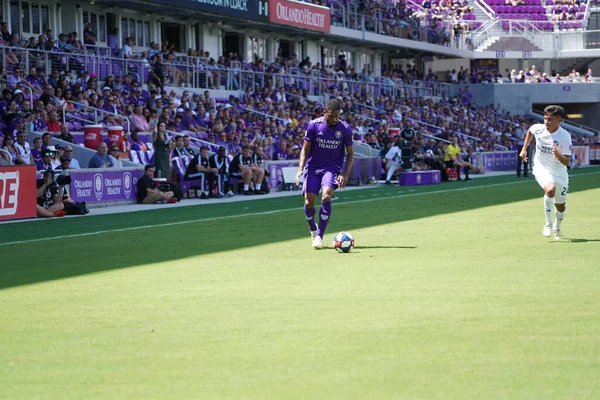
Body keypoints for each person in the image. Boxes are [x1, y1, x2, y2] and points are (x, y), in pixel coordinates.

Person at [295, 99, 354, 249]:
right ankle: (313, 229)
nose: (334, 119)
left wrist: (345, 174)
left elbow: (350, 154)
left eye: (337, 116)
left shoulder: (345, 129)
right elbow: (305, 149)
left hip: (331, 168)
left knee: (326, 196)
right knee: (309, 203)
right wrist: (300, 169)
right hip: (313, 168)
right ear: (324, 113)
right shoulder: (314, 126)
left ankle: (320, 236)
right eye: (331, 116)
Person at [520, 105, 572, 240]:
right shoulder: (539, 128)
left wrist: (558, 155)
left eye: (550, 120)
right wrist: (524, 148)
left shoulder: (565, 136)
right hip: (541, 167)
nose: (547, 122)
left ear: (559, 120)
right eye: (545, 119)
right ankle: (548, 224)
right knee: (550, 189)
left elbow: (567, 162)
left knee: (560, 206)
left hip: (559, 172)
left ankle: (557, 227)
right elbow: (530, 131)